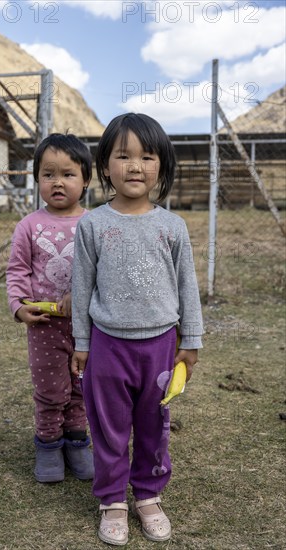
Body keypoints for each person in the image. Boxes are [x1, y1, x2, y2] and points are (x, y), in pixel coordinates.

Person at [71, 113, 203, 545]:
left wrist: (193, 340)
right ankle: (112, 500)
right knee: (108, 426)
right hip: (108, 346)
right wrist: (83, 343)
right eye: (122, 155)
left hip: (162, 346)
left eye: (147, 156)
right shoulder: (92, 224)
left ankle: (148, 495)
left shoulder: (172, 226)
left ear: (161, 165)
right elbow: (81, 287)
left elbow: (188, 286)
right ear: (104, 165)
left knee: (154, 424)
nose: (134, 166)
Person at [6, 133, 94, 483]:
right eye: (48, 174)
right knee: (50, 390)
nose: (58, 182)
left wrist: (82, 296)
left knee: (81, 388)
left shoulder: (95, 224)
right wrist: (18, 307)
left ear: (86, 179)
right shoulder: (29, 226)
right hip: (44, 327)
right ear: (37, 179)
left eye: (68, 174)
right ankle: (48, 446)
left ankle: (77, 444)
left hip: (87, 329)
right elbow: (18, 271)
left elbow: (105, 272)